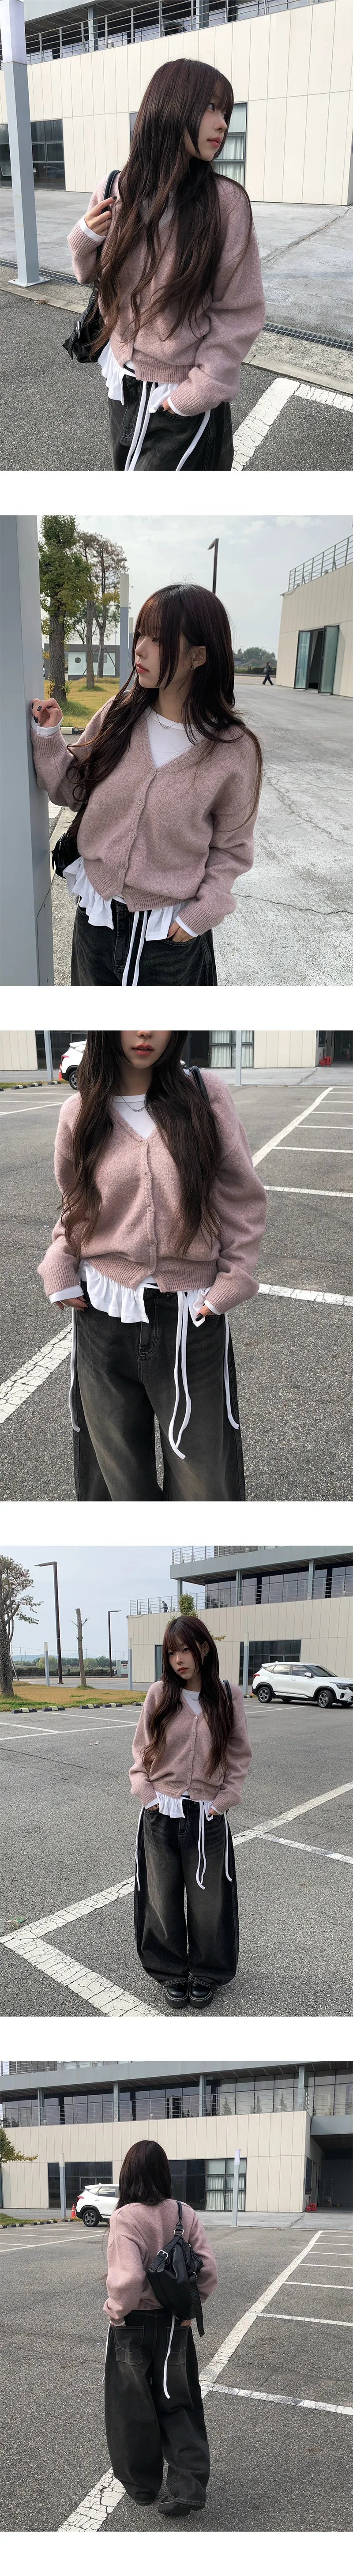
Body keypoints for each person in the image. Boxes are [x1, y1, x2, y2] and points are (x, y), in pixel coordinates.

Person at [38, 1030, 267, 1503]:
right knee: (119, 1475)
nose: (145, 1031)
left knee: (204, 1478)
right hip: (101, 1314)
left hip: (191, 1318)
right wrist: (60, 1259)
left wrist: (236, 1275)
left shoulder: (204, 1095)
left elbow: (240, 1194)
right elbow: (76, 1203)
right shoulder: (80, 1111)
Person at [31, 584, 263, 991]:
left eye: (159, 639)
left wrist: (204, 912)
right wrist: (49, 738)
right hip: (96, 922)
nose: (140, 648)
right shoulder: (118, 716)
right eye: (141, 634)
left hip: (167, 938)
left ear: (199, 655)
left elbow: (232, 848)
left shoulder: (233, 750)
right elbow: (72, 791)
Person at [65, 58, 265, 474]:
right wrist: (84, 237)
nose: (223, 123)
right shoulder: (116, 188)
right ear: (171, 105)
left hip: (180, 393)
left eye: (226, 112)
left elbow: (239, 311)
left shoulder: (226, 204)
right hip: (121, 380)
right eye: (211, 107)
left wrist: (200, 390)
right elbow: (89, 276)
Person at [130, 1612, 251, 2004]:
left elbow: (239, 1755)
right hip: (160, 1812)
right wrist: (146, 1793)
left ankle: (208, 1971)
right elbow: (141, 1750)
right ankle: (170, 1970)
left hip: (207, 1816)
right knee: (161, 1897)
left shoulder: (228, 1695)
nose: (178, 1659)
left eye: (185, 1649)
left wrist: (223, 1801)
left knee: (209, 1901)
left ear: (204, 1648)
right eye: (171, 1652)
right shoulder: (160, 1694)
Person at [104, 2137, 218, 2517]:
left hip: (133, 2325)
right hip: (175, 2324)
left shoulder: (125, 2216)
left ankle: (143, 2486)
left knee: (131, 2405)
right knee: (179, 2400)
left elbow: (128, 2280)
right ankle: (189, 2484)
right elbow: (208, 2271)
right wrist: (188, 2309)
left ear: (129, 2174)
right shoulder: (185, 2213)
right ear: (164, 2172)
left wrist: (116, 2311)